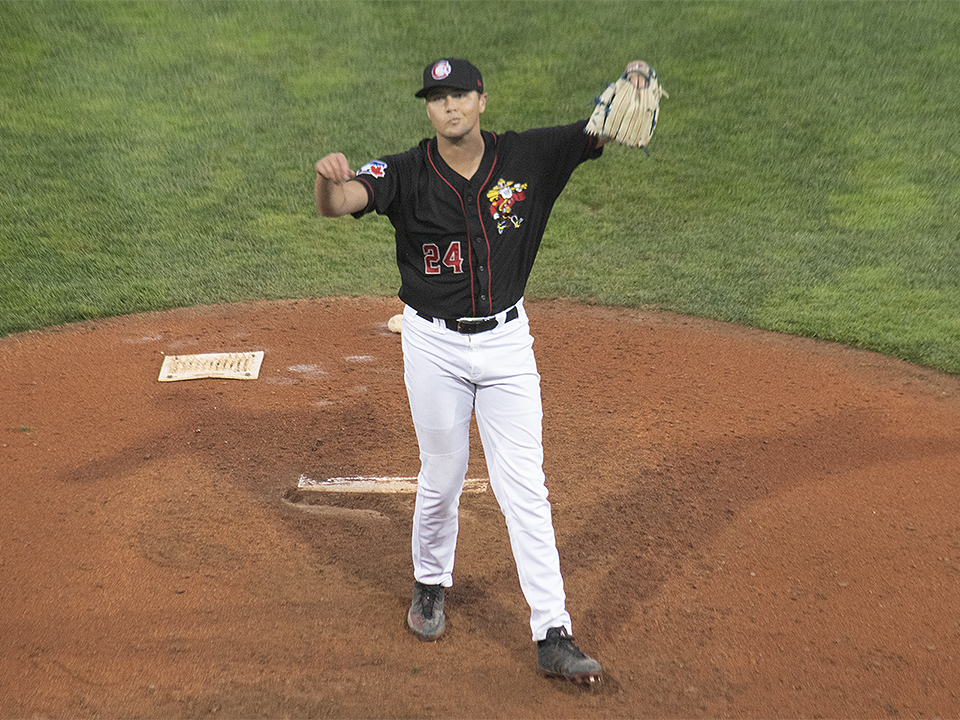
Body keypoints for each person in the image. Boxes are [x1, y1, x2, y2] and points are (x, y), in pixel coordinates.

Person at [315, 57, 645, 684]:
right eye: (438, 98)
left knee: (525, 486)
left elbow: (596, 131)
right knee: (443, 475)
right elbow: (343, 201)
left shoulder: (529, 157)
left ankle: (553, 631)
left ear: (483, 101)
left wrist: (625, 88)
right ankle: (431, 582)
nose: (450, 106)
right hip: (432, 347)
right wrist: (329, 182)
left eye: (461, 94)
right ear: (428, 109)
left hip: (507, 345)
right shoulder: (406, 170)